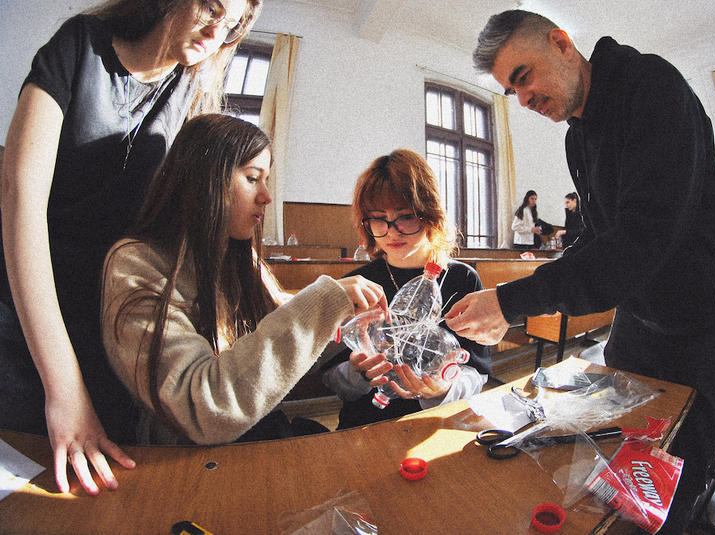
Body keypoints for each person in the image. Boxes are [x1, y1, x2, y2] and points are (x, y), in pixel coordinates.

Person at [445, 10, 715, 533]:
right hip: (640, 318)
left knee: (671, 479)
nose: (523, 99)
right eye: (511, 91)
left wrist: (511, 301)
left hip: (704, 317)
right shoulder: (576, 136)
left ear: (562, 44)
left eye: (524, 77)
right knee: (617, 453)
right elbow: (597, 237)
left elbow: (641, 240)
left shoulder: (652, 87)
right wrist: (517, 302)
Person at [0, 0, 262, 494]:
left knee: (100, 491)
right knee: (25, 484)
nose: (217, 30)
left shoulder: (190, 91)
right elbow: (19, 197)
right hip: (25, 310)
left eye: (232, 24)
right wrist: (64, 388)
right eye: (212, 7)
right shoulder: (80, 45)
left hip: (109, 323)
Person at [101, 114, 388, 445]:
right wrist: (325, 302)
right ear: (204, 179)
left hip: (253, 434)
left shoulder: (236, 257)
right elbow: (205, 408)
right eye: (253, 178)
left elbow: (278, 348)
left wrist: (358, 329)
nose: (266, 196)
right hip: (183, 460)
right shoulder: (135, 263)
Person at [322, 149, 490, 429]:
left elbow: (479, 372)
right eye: (378, 218)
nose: (392, 231)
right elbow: (334, 383)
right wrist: (357, 373)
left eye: (406, 216)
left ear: (429, 215)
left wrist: (443, 388)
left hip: (436, 425)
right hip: (366, 426)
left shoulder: (462, 279)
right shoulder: (358, 284)